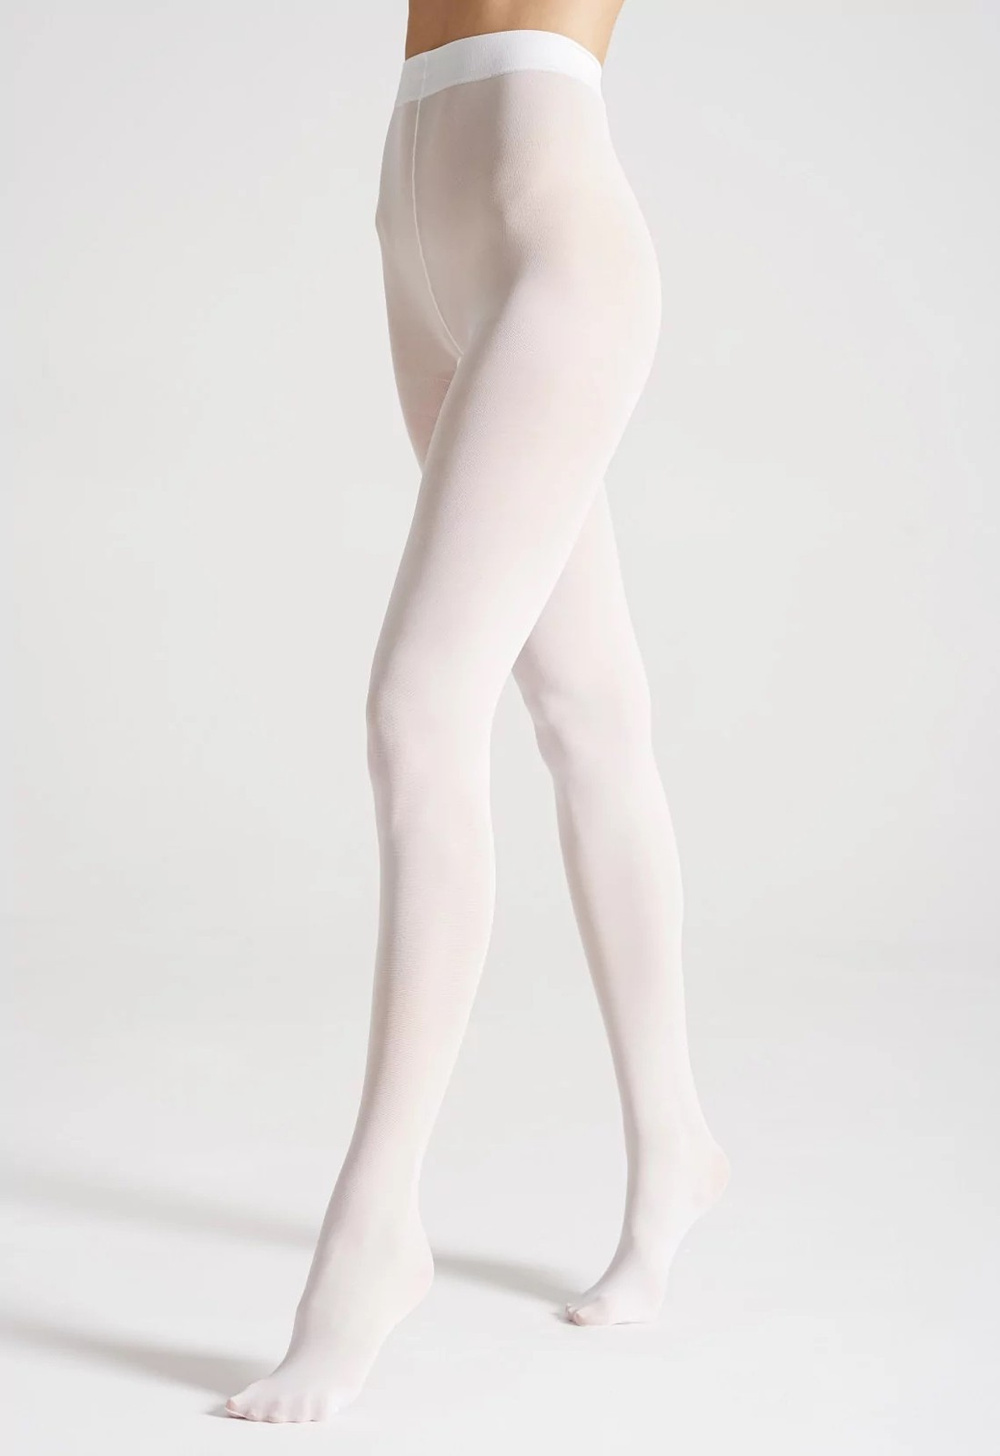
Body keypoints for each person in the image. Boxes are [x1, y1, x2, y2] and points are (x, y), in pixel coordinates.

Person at [227, 0, 728, 1424]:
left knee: (416, 709)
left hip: (548, 231)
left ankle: (373, 1231)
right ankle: (676, 1144)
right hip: (417, 236)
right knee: (585, 710)